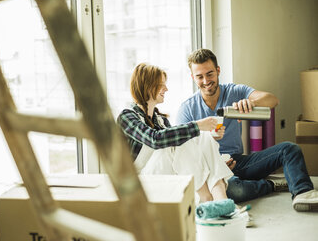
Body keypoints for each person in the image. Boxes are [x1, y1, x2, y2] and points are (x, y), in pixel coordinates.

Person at [176, 48, 318, 212]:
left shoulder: (233, 91)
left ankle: (303, 193)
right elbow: (183, 152)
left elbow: (272, 100)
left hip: (238, 162)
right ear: (193, 77)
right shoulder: (187, 109)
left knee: (289, 149)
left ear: (218, 70)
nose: (206, 81)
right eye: (200, 77)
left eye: (210, 74)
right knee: (234, 190)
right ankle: (271, 184)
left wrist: (252, 103)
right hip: (211, 169)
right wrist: (216, 167)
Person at [117, 63, 234, 203]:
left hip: (164, 176)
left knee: (202, 136)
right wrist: (197, 126)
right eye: (161, 84)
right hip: (138, 182)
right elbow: (155, 139)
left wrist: (210, 143)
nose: (166, 89)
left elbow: (183, 155)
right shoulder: (127, 116)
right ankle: (206, 199)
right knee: (183, 138)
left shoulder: (160, 120)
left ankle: (222, 201)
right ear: (147, 86)